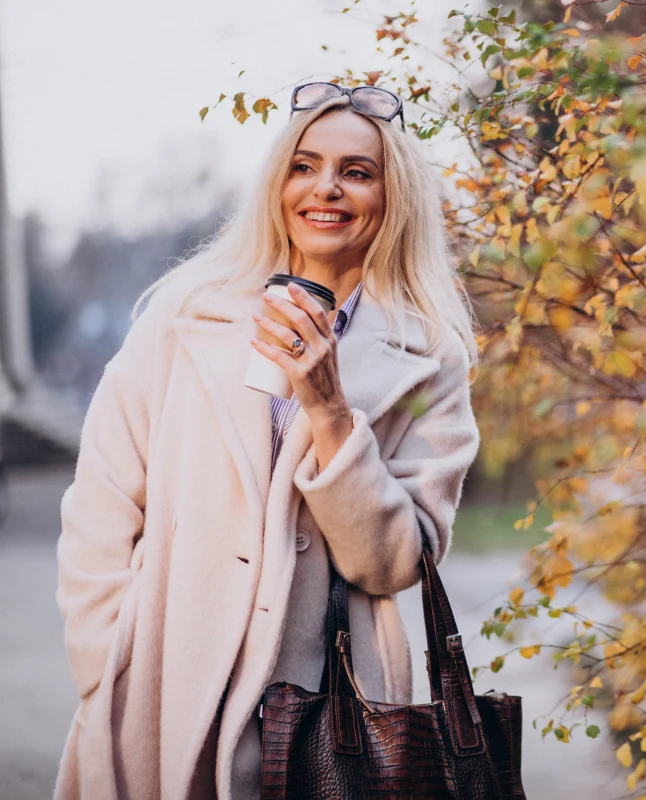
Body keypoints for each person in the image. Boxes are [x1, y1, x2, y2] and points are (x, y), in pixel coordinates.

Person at [53, 81, 481, 799]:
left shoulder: (430, 356)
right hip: (161, 683)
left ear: (392, 194)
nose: (326, 190)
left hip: (325, 710)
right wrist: (107, 657)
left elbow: (396, 564)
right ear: (277, 182)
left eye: (357, 171)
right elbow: (101, 497)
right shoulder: (186, 316)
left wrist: (331, 409)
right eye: (304, 166)